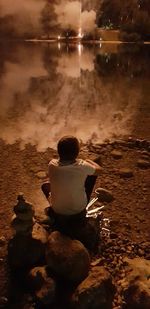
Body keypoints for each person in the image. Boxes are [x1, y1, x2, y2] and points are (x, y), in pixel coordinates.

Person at [41, 136, 102, 234]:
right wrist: (87, 160)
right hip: (78, 209)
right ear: (77, 152)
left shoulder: (51, 164)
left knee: (45, 185)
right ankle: (81, 207)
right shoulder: (82, 165)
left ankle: (55, 213)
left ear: (58, 151)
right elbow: (99, 170)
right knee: (91, 176)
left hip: (57, 209)